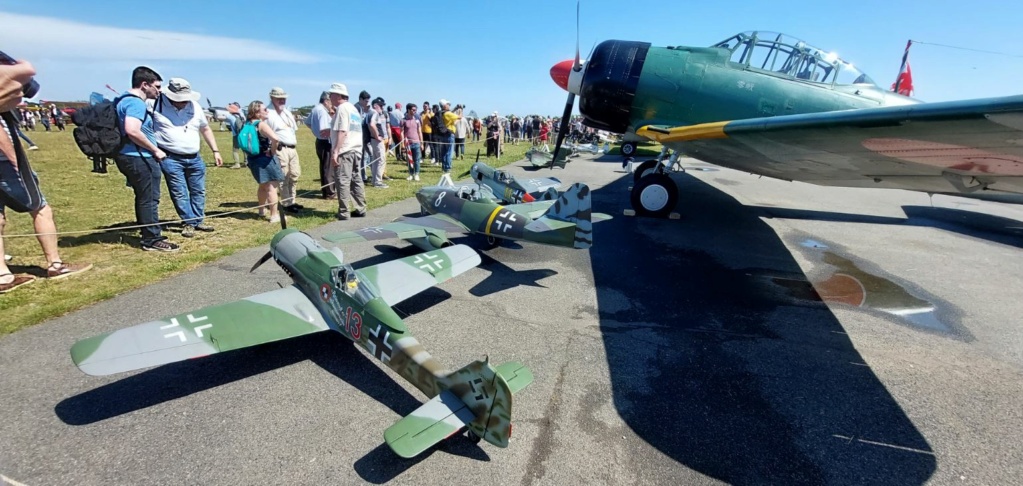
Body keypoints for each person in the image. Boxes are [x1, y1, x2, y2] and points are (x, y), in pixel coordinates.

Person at [1, 59, 92, 292]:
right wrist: (15, 164)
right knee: (40, 207)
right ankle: (55, 265)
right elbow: (27, 69)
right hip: (5, 164)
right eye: (19, 92)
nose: (21, 97)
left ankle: (3, 276)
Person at [113, 66, 179, 252]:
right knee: (149, 198)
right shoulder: (136, 103)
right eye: (156, 86)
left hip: (131, 155)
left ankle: (150, 233)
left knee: (144, 196)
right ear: (144, 85)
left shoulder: (122, 100)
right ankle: (151, 239)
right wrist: (155, 150)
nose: (159, 90)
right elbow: (132, 130)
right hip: (139, 156)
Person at [151, 77, 222, 238]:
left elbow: (205, 129)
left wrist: (215, 151)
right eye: (180, 99)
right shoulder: (155, 105)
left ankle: (198, 220)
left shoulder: (195, 107)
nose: (183, 102)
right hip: (170, 158)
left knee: (199, 190)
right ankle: (189, 222)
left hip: (195, 157)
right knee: (179, 192)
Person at [327, 83, 366, 221]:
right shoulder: (353, 109)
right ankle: (361, 207)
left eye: (331, 94)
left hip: (345, 149)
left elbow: (343, 131)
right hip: (356, 148)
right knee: (356, 179)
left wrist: (336, 151)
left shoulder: (342, 109)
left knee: (342, 180)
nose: (329, 97)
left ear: (337, 95)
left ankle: (344, 211)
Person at [243, 101, 283, 224]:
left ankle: (261, 210)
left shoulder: (247, 124)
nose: (267, 111)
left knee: (262, 185)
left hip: (253, 158)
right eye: (264, 109)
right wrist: (272, 151)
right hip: (265, 159)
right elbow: (275, 139)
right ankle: (274, 215)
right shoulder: (261, 125)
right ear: (257, 112)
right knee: (271, 187)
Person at [265, 87, 302, 213]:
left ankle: (292, 200)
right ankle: (286, 203)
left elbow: (293, 129)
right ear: (272, 98)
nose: (282, 100)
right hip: (281, 147)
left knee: (294, 174)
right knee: (284, 176)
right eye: (279, 98)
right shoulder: (268, 113)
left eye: (283, 98)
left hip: (292, 147)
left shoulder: (286, 112)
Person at [305, 91, 335, 199]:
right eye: (331, 101)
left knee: (324, 166)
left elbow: (307, 122)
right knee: (328, 168)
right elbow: (324, 129)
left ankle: (326, 191)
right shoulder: (322, 111)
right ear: (326, 101)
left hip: (319, 141)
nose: (332, 104)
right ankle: (330, 192)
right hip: (326, 141)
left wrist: (315, 130)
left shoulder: (315, 109)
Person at [365, 97, 389, 188]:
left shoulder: (369, 113)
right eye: (381, 106)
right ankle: (378, 181)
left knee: (375, 160)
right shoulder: (374, 113)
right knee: (381, 160)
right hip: (376, 140)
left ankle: (375, 180)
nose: (382, 108)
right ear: (375, 106)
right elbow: (372, 125)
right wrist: (377, 136)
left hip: (372, 140)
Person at [400, 102, 423, 181]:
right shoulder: (403, 120)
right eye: (413, 110)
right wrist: (403, 144)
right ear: (408, 110)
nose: (415, 111)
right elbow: (402, 132)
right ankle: (410, 173)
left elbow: (419, 132)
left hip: (416, 142)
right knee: (409, 160)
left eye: (415, 110)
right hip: (408, 143)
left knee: (417, 160)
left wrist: (421, 143)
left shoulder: (417, 120)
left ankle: (417, 173)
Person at [224, 102, 245, 169]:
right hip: (242, 134)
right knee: (244, 149)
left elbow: (221, 117)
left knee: (235, 150)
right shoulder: (241, 115)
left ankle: (237, 163)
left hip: (236, 135)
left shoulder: (230, 117)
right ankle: (246, 162)